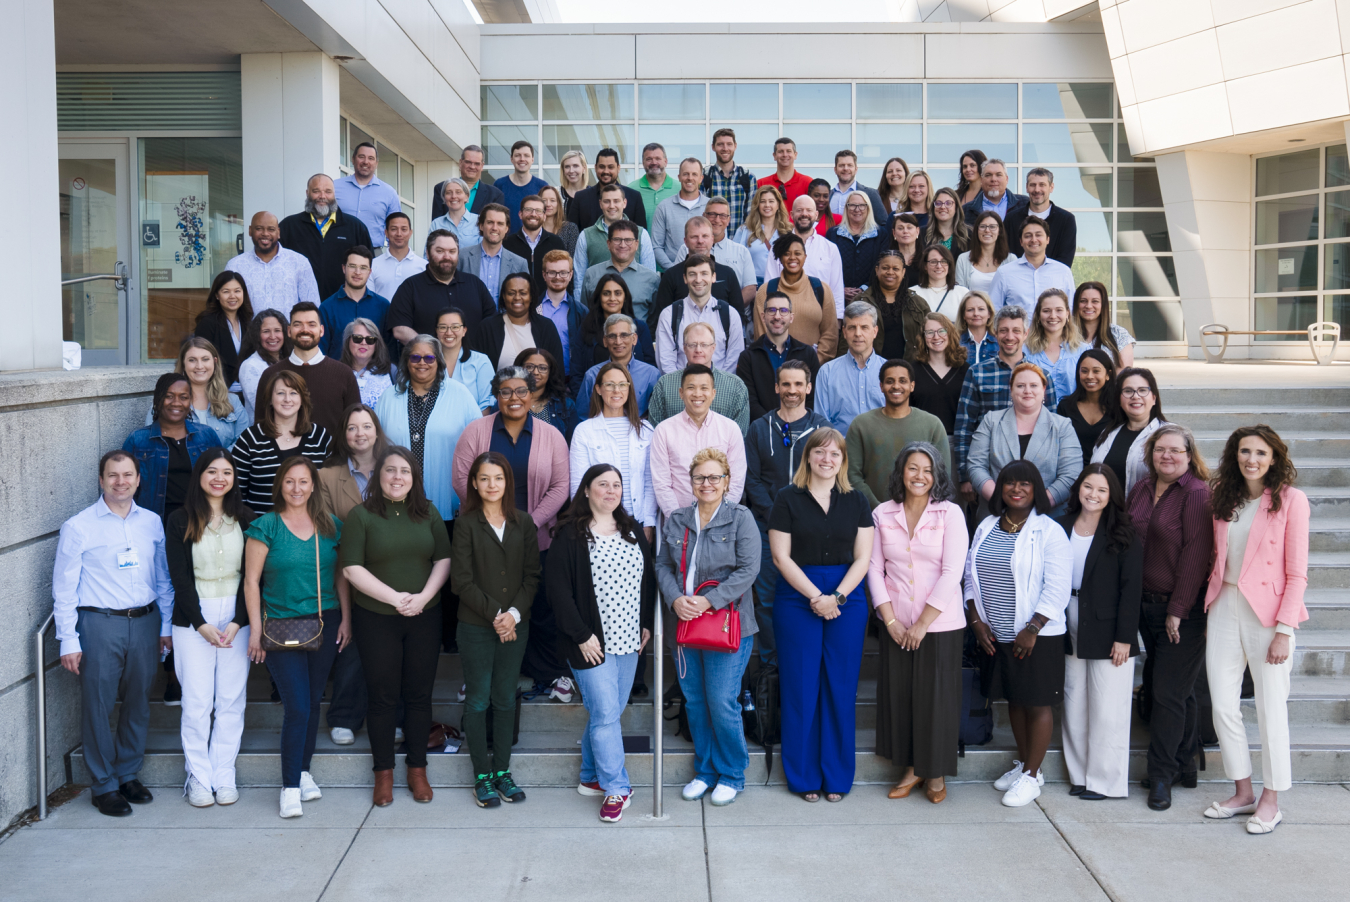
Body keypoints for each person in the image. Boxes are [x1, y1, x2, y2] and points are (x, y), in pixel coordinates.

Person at [53, 450, 174, 817]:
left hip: (146, 621)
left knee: (138, 701)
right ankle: (103, 784)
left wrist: (165, 627)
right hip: (100, 624)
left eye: (127, 475)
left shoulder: (152, 522)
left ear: (139, 479)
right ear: (101, 480)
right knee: (99, 705)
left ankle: (127, 773)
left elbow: (163, 579)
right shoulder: (79, 526)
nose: (120, 482)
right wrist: (68, 640)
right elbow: (64, 588)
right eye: (112, 475)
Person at [1203, 425, 1309, 833]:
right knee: (1224, 705)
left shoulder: (1290, 501)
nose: (1252, 459)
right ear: (1235, 456)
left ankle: (1272, 798)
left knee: (1270, 708)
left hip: (1268, 615)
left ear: (1274, 459)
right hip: (1225, 605)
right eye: (1245, 451)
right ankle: (1243, 791)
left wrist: (1284, 629)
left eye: (1260, 453)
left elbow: (1297, 572)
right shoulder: (1225, 499)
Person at [340, 446, 451, 807]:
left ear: (413, 478)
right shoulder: (361, 516)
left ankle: (417, 770)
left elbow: (443, 559)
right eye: (390, 470)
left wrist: (421, 598)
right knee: (383, 696)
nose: (397, 477)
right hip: (376, 619)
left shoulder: (429, 512)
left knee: (419, 696)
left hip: (424, 616)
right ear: (378, 475)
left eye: (405, 471)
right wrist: (396, 598)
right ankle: (383, 775)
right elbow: (351, 568)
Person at [453, 366, 572, 702]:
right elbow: (462, 479)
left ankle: (548, 674)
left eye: (522, 390)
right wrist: (488, 523)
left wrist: (530, 523)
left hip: (536, 534)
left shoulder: (551, 435)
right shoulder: (476, 432)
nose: (514, 398)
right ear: (496, 395)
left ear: (532, 394)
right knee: (483, 603)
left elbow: (562, 485)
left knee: (539, 604)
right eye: (506, 391)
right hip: (484, 536)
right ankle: (478, 676)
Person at [769, 429, 874, 802]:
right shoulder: (787, 498)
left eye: (835, 454)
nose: (827, 459)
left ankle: (837, 775)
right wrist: (817, 597)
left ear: (843, 460)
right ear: (808, 457)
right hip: (799, 595)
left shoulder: (857, 500)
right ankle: (803, 776)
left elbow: (864, 556)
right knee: (801, 686)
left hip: (847, 596)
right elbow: (781, 557)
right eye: (820, 452)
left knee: (840, 687)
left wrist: (838, 596)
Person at [243, 456, 350, 818]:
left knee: (313, 700)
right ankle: (289, 787)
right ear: (280, 485)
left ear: (313, 486)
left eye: (304, 482)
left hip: (324, 621)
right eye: (289, 481)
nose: (297, 488)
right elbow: (251, 581)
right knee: (298, 706)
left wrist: (346, 619)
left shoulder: (329, 526)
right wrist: (255, 631)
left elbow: (340, 577)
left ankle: (303, 772)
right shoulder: (265, 527)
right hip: (280, 627)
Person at [550, 464, 657, 821]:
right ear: (586, 490)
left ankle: (589, 777)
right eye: (602, 485)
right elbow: (558, 591)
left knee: (608, 711)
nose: (610, 491)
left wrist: (645, 624)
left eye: (616, 485)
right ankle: (615, 787)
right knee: (608, 714)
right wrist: (581, 635)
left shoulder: (631, 531)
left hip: (629, 640)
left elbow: (648, 581)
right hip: (590, 642)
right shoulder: (569, 534)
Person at [657, 448, 760, 808]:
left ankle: (732, 773)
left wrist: (709, 601)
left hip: (727, 625)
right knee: (697, 702)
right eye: (700, 477)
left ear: (727, 481)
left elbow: (749, 570)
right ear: (691, 481)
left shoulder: (740, 518)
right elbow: (662, 566)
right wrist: (674, 599)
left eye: (715, 477)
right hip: (684, 625)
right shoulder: (677, 519)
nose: (707, 483)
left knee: (721, 700)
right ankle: (705, 771)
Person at [966, 461, 1071, 807]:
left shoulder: (1049, 531)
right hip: (996, 633)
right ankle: (1028, 767)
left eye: (1025, 484)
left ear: (1035, 489)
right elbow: (970, 577)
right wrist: (977, 621)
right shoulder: (986, 526)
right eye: (1009, 483)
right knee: (1014, 699)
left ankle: (1030, 777)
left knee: (1037, 703)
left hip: (1037, 637)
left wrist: (1033, 628)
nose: (1016, 489)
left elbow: (1057, 587)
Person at [868, 442, 969, 803]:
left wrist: (923, 623)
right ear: (901, 472)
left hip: (939, 624)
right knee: (902, 697)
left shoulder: (950, 514)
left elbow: (952, 571)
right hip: (895, 622)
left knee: (937, 699)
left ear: (937, 475)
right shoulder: (882, 513)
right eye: (912, 468)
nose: (920, 476)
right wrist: (890, 620)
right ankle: (911, 767)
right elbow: (873, 569)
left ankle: (936, 770)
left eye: (927, 470)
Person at [1126, 423, 1214, 811]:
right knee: (1180, 689)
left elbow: (1196, 557)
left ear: (1189, 455)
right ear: (1150, 453)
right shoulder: (1143, 488)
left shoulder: (1196, 494)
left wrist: (1178, 611)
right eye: (1161, 449)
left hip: (1183, 609)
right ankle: (1185, 763)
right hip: (1145, 604)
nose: (1167, 456)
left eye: (1176, 451)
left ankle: (1161, 776)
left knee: (1165, 693)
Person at [164, 448, 256, 807]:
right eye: (212, 471)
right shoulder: (179, 520)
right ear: (199, 476)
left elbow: (253, 578)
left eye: (227, 473)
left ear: (234, 479)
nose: (220, 478)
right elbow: (180, 579)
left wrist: (238, 621)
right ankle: (199, 778)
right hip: (192, 620)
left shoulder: (247, 520)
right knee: (197, 701)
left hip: (235, 618)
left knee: (231, 700)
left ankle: (224, 774)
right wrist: (200, 624)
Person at [451, 451, 541, 809]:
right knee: (477, 699)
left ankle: (502, 770)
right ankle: (481, 776)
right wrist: (498, 616)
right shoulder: (465, 524)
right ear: (474, 482)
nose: (492, 485)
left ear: (508, 482)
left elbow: (532, 575)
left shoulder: (524, 523)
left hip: (516, 627)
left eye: (498, 478)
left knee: (505, 699)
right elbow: (461, 581)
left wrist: (514, 615)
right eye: (485, 478)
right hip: (476, 626)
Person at [1057, 464, 1143, 801]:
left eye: (1102, 490)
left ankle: (1104, 782)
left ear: (1112, 496)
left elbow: (1131, 589)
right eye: (1088, 487)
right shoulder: (1061, 525)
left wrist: (1125, 637)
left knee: (1108, 709)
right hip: (1066, 620)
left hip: (1109, 628)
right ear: (1078, 488)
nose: (1093, 494)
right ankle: (1079, 775)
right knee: (1073, 701)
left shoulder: (1124, 533)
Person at [745, 360, 832, 666]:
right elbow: (751, 480)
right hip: (768, 531)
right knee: (767, 601)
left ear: (809, 388)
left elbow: (829, 477)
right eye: (786, 384)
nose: (792, 391)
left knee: (810, 597)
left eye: (798, 384)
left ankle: (805, 663)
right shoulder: (758, 428)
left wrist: (804, 520)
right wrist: (777, 519)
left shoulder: (823, 429)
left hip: (812, 532)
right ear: (776, 387)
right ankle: (772, 667)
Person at [375, 335, 481, 538]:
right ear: (406, 361)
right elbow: (376, 444)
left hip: (447, 505)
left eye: (429, 358)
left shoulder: (460, 394)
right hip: (396, 501)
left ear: (439, 361)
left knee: (444, 562)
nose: (422, 363)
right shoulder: (389, 396)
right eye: (415, 357)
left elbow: (478, 442)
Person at [954, 306, 1058, 499]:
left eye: (1016, 330)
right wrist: (964, 476)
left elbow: (1052, 427)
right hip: (988, 470)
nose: (1010, 336)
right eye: (1004, 330)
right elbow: (964, 427)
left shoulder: (1042, 376)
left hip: (1034, 468)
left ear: (1026, 333)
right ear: (995, 332)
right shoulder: (977, 372)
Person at [968, 362, 1079, 513]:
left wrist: (1039, 505)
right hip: (997, 513)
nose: (1027, 391)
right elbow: (976, 466)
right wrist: (1000, 500)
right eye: (1020, 386)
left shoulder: (1063, 426)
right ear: (1011, 390)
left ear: (1044, 389)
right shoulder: (991, 421)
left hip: (1047, 515)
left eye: (1034, 385)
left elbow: (1071, 474)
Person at [845, 359, 951, 510]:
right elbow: (852, 475)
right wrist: (880, 511)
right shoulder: (861, 425)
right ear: (881, 386)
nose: (896, 386)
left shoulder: (932, 425)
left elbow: (942, 475)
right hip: (871, 515)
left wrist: (919, 511)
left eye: (903, 381)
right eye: (890, 381)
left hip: (922, 517)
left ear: (912, 386)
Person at [571, 361, 658, 535]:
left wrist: (648, 522)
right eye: (609, 385)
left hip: (637, 520)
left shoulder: (646, 430)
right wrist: (587, 521)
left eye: (622, 385)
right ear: (598, 389)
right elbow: (578, 484)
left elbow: (650, 481)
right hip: (598, 520)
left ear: (629, 389)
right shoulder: (584, 431)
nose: (616, 390)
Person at [650, 363, 747, 518]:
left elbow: (735, 481)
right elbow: (661, 484)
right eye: (691, 388)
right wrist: (678, 519)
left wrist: (718, 517)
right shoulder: (664, 430)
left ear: (713, 393)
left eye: (704, 388)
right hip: (678, 522)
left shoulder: (730, 429)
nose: (697, 394)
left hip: (721, 523)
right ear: (681, 393)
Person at [231, 370, 333, 514]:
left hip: (310, 529)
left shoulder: (320, 437)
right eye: (280, 393)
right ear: (270, 399)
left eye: (293, 393)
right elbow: (236, 492)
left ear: (303, 399)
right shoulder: (250, 438)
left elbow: (331, 488)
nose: (287, 399)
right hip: (261, 530)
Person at [125, 374, 220, 521]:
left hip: (198, 521)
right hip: (154, 522)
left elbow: (222, 478)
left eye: (183, 397)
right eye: (169, 396)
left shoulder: (206, 436)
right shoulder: (138, 440)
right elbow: (125, 487)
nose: (176, 403)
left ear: (190, 401)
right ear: (158, 400)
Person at [261, 301, 360, 438]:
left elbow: (355, 425)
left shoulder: (344, 374)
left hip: (333, 458)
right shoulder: (271, 375)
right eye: (298, 324)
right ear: (289, 331)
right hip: (284, 458)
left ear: (321, 330)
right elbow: (262, 426)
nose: (305, 330)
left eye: (311, 324)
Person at [388, 231, 497, 347]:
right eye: (440, 251)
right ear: (428, 253)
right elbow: (400, 329)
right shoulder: (410, 287)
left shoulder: (475, 284)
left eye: (452, 251)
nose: (447, 257)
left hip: (472, 361)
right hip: (427, 362)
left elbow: (492, 324)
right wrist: (429, 351)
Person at [279, 173, 374, 298]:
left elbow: (368, 266)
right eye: (316, 191)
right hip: (300, 304)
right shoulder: (289, 226)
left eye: (328, 191)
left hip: (343, 303)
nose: (322, 196)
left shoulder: (355, 227)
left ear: (335, 194)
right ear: (307, 193)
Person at [645, 323, 752, 434]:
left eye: (704, 345)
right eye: (692, 345)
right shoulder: (665, 384)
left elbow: (740, 436)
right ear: (684, 348)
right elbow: (655, 431)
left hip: (720, 450)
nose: (698, 350)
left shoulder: (735, 386)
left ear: (713, 348)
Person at [648, 218, 747, 329]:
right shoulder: (671, 276)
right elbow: (663, 319)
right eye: (694, 237)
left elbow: (738, 317)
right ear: (685, 241)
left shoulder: (728, 274)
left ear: (712, 239)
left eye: (705, 236)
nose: (700, 241)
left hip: (720, 343)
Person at [147, 338, 247, 448]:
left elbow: (243, 443)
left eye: (205, 359)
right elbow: (152, 443)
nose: (199, 366)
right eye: (192, 360)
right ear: (183, 363)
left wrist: (217, 461)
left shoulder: (232, 401)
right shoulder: (165, 402)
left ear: (215, 362)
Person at [738, 291, 822, 420]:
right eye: (771, 310)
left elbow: (812, 398)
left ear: (791, 317)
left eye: (783, 310)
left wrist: (796, 424)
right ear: (763, 316)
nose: (777, 316)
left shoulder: (808, 354)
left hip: (801, 430)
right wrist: (773, 425)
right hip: (764, 431)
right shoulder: (748, 358)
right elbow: (750, 401)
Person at [655, 255, 745, 373]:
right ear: (685, 278)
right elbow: (666, 362)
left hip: (720, 388)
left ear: (713, 277)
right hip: (679, 388)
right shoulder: (669, 315)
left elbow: (734, 359)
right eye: (692, 274)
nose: (698, 280)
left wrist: (715, 387)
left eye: (704, 273)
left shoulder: (730, 315)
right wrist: (685, 388)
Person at [225, 211, 320, 319]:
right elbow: (226, 309)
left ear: (278, 232)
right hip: (248, 335)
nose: (265, 233)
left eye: (271, 229)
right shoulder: (235, 266)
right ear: (250, 231)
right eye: (259, 228)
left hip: (288, 335)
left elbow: (312, 307)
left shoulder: (299, 263)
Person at [763, 195, 846, 320]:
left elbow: (837, 289)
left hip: (819, 318)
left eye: (809, 210)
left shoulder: (830, 248)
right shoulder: (778, 246)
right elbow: (769, 284)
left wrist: (837, 321)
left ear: (816, 215)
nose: (804, 214)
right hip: (783, 318)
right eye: (799, 210)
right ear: (791, 214)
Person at [570, 273, 655, 392]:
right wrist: (587, 401)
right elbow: (576, 371)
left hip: (636, 399)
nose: (612, 298)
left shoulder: (639, 327)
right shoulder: (587, 327)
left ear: (625, 297)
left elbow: (650, 367)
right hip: (596, 399)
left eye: (618, 293)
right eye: (606, 293)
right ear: (599, 297)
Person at [910, 313, 971, 474]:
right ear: (923, 337)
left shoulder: (966, 370)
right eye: (929, 332)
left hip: (957, 445)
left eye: (941, 331)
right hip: (922, 444)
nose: (936, 337)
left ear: (950, 333)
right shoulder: (912, 370)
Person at [1090, 367, 1166, 495]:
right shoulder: (1108, 433)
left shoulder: (1168, 434)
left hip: (1145, 513)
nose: (1135, 396)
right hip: (1105, 511)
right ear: (1119, 399)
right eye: (1128, 391)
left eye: (1142, 390)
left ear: (1154, 398)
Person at [815, 301, 887, 433]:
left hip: (882, 450)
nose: (858, 333)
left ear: (875, 331)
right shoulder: (827, 372)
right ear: (844, 331)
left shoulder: (889, 371)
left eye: (864, 327)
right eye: (852, 327)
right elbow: (822, 423)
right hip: (841, 450)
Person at [574, 185, 658, 295]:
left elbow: (650, 276)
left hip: (635, 304)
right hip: (598, 305)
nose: (612, 206)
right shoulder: (585, 235)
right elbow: (579, 280)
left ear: (624, 203)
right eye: (607, 201)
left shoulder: (641, 234)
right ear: (600, 204)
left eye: (616, 201)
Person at [672, 197, 758, 304]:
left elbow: (750, 288)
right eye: (712, 214)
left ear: (728, 220)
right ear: (704, 216)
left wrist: (728, 311)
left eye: (722, 215)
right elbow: (677, 281)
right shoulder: (686, 249)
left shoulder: (741, 251)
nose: (717, 220)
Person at [473, 273, 566, 371]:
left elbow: (557, 370)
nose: (517, 297)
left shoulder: (546, 327)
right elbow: (477, 368)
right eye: (511, 293)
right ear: (504, 296)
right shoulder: (487, 327)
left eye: (523, 293)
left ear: (531, 296)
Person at [577, 312, 662, 415]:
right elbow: (582, 416)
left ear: (634, 339)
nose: (618, 341)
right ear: (605, 341)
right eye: (612, 336)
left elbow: (658, 415)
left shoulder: (651, 374)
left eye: (624, 335)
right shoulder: (592, 375)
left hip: (639, 429)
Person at [989, 217, 1076, 318]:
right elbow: (993, 310)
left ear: (1048, 239)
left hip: (1054, 333)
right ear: (1021, 241)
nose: (1034, 240)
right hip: (1017, 333)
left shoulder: (1063, 271)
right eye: (1028, 236)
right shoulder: (1004, 273)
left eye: (1038, 235)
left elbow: (1071, 309)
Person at [578, 220, 660, 322]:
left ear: (636, 244)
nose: (622, 245)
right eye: (617, 240)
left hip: (638, 336)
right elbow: (585, 313)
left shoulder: (652, 279)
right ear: (608, 243)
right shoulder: (591, 274)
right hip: (599, 336)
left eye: (628, 240)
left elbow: (654, 321)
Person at [855, 250, 927, 364]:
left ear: (903, 272)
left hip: (909, 370)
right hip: (869, 369)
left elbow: (928, 337)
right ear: (876, 270)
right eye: (885, 268)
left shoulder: (918, 303)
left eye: (896, 269)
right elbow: (847, 340)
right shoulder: (860, 302)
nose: (890, 272)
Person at [318, 246, 390, 357]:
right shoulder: (326, 308)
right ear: (343, 268)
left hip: (374, 372)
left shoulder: (383, 306)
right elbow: (321, 351)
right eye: (352, 266)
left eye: (363, 268)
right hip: (337, 372)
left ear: (369, 272)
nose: (357, 272)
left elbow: (390, 349)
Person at [193, 270, 253, 389]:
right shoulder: (207, 323)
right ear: (217, 295)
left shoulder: (248, 321)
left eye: (237, 291)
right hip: (220, 392)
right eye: (226, 291)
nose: (232, 296)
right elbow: (202, 360)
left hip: (247, 391)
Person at [334, 142, 401, 248]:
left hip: (373, 253)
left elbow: (396, 228)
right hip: (338, 250)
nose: (366, 162)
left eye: (371, 158)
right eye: (361, 157)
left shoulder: (389, 193)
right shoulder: (334, 187)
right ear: (353, 159)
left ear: (376, 163)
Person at [1023, 288, 1086, 401]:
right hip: (1036, 417)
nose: (1053, 316)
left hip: (1073, 417)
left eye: (1059, 310)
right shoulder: (1025, 350)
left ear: (1067, 314)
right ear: (1038, 315)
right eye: (1046, 311)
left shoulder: (1083, 350)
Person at [461, 204, 529, 307]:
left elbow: (525, 300)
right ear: (481, 225)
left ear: (506, 229)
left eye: (500, 224)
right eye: (490, 222)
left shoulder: (519, 263)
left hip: (505, 321)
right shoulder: (462, 257)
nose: (494, 228)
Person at [1057, 349, 1116, 466]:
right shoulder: (1066, 406)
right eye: (1084, 371)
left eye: (1096, 371)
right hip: (1073, 474)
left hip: (1109, 475)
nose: (1089, 376)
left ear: (1108, 375)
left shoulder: (1118, 408)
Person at [1007, 168, 1077, 266]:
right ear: (1026, 187)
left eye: (1042, 185)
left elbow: (1065, 259)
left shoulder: (1066, 220)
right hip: (1019, 279)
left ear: (1051, 187)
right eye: (1032, 185)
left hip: (1053, 279)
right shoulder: (1011, 219)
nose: (1037, 190)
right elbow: (1007, 255)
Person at [566, 147, 648, 230]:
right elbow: (571, 233)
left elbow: (640, 233)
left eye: (610, 167)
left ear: (618, 168)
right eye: (602, 167)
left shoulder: (634, 197)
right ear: (595, 168)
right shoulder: (581, 197)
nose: (606, 171)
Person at [826, 190, 885, 304]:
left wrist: (864, 289)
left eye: (862, 205)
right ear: (846, 208)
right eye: (852, 205)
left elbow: (881, 265)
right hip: (838, 298)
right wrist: (841, 289)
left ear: (868, 208)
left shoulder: (881, 234)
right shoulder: (833, 234)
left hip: (871, 297)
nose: (857, 209)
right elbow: (828, 266)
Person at [652, 157, 708, 270]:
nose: (690, 178)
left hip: (706, 274)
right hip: (672, 273)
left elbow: (717, 243)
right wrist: (673, 270)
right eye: (686, 174)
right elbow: (656, 246)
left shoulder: (710, 207)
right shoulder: (664, 207)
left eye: (694, 174)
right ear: (679, 177)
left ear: (701, 178)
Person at [435, 307, 495, 412]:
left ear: (464, 331)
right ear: (436, 331)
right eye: (443, 327)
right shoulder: (426, 362)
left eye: (455, 327)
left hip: (474, 425)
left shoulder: (481, 361)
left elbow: (487, 404)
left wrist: (475, 428)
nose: (449, 332)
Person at [504, 195, 566, 294]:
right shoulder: (507, 243)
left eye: (538, 211)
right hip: (517, 303)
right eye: (528, 209)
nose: (533, 214)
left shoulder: (556, 243)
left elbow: (565, 275)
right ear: (520, 214)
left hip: (548, 303)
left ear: (544, 216)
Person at [533, 250, 582, 374]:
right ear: (544, 275)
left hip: (569, 379)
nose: (557, 277)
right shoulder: (533, 309)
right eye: (552, 273)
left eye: (563, 273)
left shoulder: (580, 312)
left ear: (570, 275)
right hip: (537, 377)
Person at [239, 309, 291, 423]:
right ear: (257, 335)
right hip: (263, 430)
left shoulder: (290, 360)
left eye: (277, 330)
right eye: (266, 331)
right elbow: (261, 406)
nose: (272, 336)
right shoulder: (250, 366)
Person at [516, 348, 577, 442]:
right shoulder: (506, 402)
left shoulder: (566, 405)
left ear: (550, 373)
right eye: (529, 367)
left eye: (543, 368)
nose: (535, 372)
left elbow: (571, 445)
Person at [703, 128, 757, 235]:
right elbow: (701, 214)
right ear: (713, 147)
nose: (725, 148)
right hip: (710, 241)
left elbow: (751, 215)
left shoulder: (748, 177)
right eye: (720, 144)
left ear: (735, 146)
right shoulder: (704, 176)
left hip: (738, 243)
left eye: (729, 144)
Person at [734, 185, 789, 285]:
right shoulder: (744, 230)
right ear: (757, 205)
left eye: (771, 201)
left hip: (781, 285)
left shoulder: (788, 231)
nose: (767, 205)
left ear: (778, 205)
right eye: (762, 201)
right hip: (751, 286)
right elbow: (734, 260)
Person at [431, 146, 503, 220]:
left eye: (477, 164)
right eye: (468, 162)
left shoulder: (495, 195)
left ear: (482, 166)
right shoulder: (441, 188)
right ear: (461, 163)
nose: (472, 167)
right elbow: (437, 224)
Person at [1074, 281, 1135, 368]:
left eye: (1095, 301)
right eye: (1083, 301)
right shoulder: (1066, 334)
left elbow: (1125, 374)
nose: (1088, 306)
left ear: (1103, 305)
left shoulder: (1119, 334)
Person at [368, 212, 427, 299]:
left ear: (410, 233)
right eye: (394, 229)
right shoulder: (373, 265)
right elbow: (369, 300)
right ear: (386, 233)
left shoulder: (424, 266)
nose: (399, 234)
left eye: (404, 229)